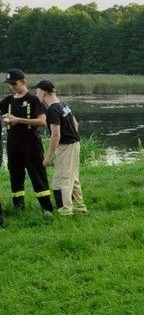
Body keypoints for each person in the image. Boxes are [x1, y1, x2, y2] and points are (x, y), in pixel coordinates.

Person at [1, 69, 54, 214]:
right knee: (15, 177)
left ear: (23, 82)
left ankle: (47, 209)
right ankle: (18, 208)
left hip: (31, 144)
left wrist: (18, 120)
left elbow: (43, 122)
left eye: (14, 83)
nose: (12, 86)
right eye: (9, 84)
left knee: (37, 175)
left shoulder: (33, 99)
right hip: (13, 145)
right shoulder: (8, 101)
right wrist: (6, 119)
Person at [35, 80, 87, 217]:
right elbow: (75, 124)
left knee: (60, 181)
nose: (36, 94)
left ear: (44, 92)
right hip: (75, 144)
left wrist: (49, 156)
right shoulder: (63, 104)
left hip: (66, 147)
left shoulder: (52, 109)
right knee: (72, 177)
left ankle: (65, 212)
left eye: (37, 91)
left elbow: (56, 134)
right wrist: (72, 137)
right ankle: (79, 207)